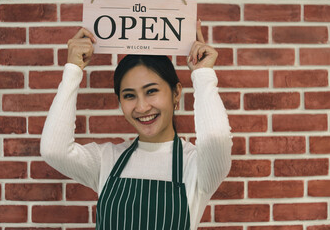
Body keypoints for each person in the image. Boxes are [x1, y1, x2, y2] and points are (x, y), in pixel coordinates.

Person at [40, 21, 232, 230]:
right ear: (120, 102)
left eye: (151, 91)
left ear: (176, 93)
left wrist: (202, 73)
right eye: (129, 95)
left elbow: (216, 137)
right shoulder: (107, 160)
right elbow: (53, 150)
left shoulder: (196, 165)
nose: (141, 107)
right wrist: (73, 70)